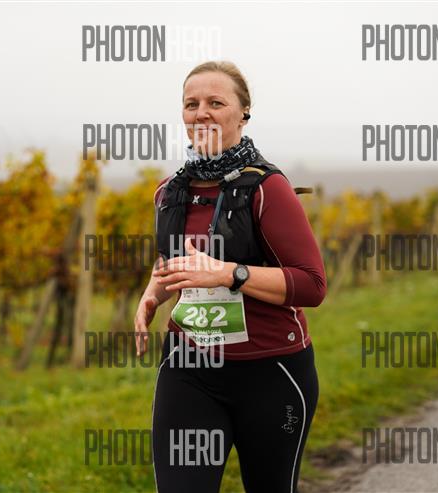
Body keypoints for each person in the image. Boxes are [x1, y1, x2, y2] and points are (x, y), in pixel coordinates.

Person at [133, 61, 327, 493]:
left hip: (271, 372)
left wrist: (228, 274)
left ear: (243, 114)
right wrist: (153, 294)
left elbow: (312, 285)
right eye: (191, 104)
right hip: (189, 367)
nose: (201, 112)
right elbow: (175, 260)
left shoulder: (267, 188)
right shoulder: (169, 192)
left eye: (215, 103)